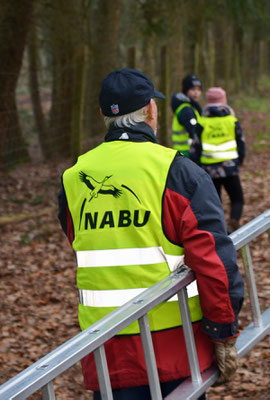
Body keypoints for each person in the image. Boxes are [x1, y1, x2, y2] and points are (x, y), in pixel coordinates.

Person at [58, 68, 244, 399]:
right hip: (174, 349)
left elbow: (78, 241)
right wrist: (223, 332)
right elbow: (214, 261)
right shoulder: (178, 171)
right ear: (151, 110)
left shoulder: (73, 177)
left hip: (105, 350)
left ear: (103, 115)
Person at [194, 87, 246, 233]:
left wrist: (198, 166)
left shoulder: (202, 123)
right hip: (230, 168)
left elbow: (195, 148)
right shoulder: (231, 121)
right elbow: (241, 143)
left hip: (209, 170)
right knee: (237, 199)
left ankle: (222, 229)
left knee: (215, 203)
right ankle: (234, 220)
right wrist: (239, 162)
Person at [170, 74, 203, 159]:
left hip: (186, 153)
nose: (196, 92)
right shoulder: (186, 109)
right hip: (187, 154)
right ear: (186, 91)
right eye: (193, 89)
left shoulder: (191, 107)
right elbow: (194, 131)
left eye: (199, 89)